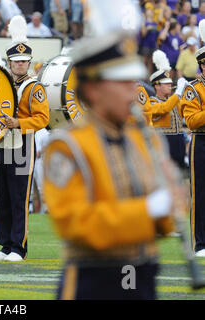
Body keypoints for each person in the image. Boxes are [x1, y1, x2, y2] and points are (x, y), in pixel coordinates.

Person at [43, 0, 181, 300]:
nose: (133, 90)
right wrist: (148, 210)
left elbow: (166, 223)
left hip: (144, 274)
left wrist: (172, 204)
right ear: (93, 88)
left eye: (133, 80)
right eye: (122, 82)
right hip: (93, 282)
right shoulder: (66, 146)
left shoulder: (146, 139)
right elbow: (78, 224)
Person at [0, 15, 49, 262]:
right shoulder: (3, 84)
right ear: (9, 62)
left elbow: (42, 119)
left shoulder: (34, 87)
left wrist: (18, 123)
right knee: (4, 196)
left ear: (29, 62)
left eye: (23, 61)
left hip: (23, 144)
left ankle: (19, 248)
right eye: (16, 61)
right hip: (4, 144)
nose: (20, 65)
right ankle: (5, 245)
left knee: (20, 197)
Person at [180, 19, 205, 257]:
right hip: (202, 142)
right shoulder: (193, 89)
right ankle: (200, 243)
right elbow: (192, 120)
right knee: (200, 193)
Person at [149, 50, 188, 170]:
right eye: (166, 84)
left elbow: (185, 109)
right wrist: (178, 92)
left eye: (170, 83)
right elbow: (164, 108)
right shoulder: (152, 102)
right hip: (164, 143)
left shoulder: (174, 100)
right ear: (157, 86)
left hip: (178, 141)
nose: (170, 85)